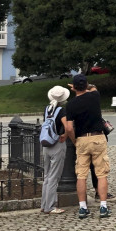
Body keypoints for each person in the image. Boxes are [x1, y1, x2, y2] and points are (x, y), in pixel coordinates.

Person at [63, 74, 112, 219]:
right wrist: (86, 86)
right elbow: (93, 88)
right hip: (98, 137)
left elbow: (70, 128)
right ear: (86, 85)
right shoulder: (95, 96)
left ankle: (83, 208)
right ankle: (103, 206)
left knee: (81, 175)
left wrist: (75, 141)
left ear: (74, 87)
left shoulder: (70, 105)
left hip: (82, 139)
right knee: (102, 173)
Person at [41, 86, 70, 215]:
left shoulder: (47, 110)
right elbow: (68, 127)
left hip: (46, 144)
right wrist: (65, 136)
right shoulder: (61, 111)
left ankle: (44, 205)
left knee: (46, 176)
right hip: (57, 144)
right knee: (54, 177)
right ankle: (51, 206)